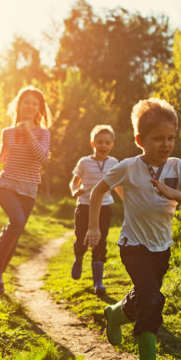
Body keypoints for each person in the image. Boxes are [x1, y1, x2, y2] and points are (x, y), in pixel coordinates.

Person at [84, 98, 181, 360]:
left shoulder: (177, 167)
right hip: (133, 245)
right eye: (158, 138)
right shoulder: (128, 166)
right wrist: (94, 228)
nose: (166, 144)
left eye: (170, 138)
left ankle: (115, 313)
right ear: (140, 139)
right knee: (152, 297)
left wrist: (175, 195)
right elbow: (98, 192)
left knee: (145, 297)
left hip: (163, 248)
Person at [0, 85, 52, 294]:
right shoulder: (7, 133)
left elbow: (43, 158)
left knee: (15, 232)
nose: (30, 106)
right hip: (7, 184)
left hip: (29, 189)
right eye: (26, 101)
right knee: (17, 221)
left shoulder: (43, 133)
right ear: (19, 105)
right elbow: (4, 157)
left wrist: (29, 133)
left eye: (34, 103)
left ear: (39, 109)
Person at [69, 124, 123, 296]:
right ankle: (78, 258)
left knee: (100, 240)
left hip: (105, 207)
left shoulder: (114, 163)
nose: (103, 146)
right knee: (81, 238)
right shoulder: (84, 162)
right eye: (100, 142)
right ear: (93, 143)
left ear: (112, 145)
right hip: (84, 206)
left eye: (107, 143)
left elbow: (118, 186)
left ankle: (98, 282)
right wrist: (74, 191)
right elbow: (74, 182)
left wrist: (128, 203)